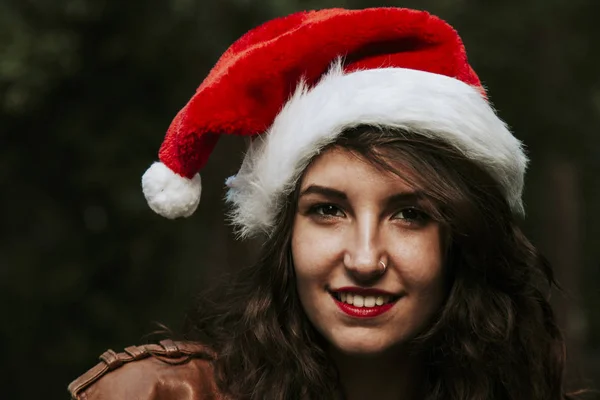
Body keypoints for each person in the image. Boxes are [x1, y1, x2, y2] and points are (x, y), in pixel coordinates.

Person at [68, 7, 584, 400]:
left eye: (411, 215)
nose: (363, 260)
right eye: (328, 210)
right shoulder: (164, 395)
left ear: (461, 240)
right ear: (286, 232)